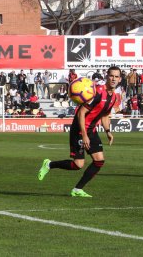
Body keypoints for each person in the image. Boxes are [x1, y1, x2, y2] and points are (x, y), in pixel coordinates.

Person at [38, 66, 121, 197]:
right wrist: (84, 135)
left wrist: (108, 131)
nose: (114, 79)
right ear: (107, 76)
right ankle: (49, 164)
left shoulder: (116, 97)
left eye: (116, 76)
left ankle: (77, 189)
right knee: (78, 165)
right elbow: (81, 113)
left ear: (120, 79)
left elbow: (105, 115)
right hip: (79, 129)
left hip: (91, 130)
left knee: (99, 161)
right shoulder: (97, 92)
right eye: (111, 76)